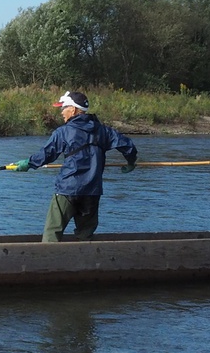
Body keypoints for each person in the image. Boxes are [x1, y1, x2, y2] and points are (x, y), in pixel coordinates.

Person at [10, 91, 138, 242]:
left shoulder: (63, 132)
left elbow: (47, 154)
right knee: (85, 236)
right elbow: (127, 145)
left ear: (73, 109)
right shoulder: (103, 131)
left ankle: (46, 264)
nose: (61, 112)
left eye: (63, 108)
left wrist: (28, 163)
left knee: (52, 234)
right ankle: (84, 263)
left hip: (67, 189)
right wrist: (130, 162)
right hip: (92, 191)